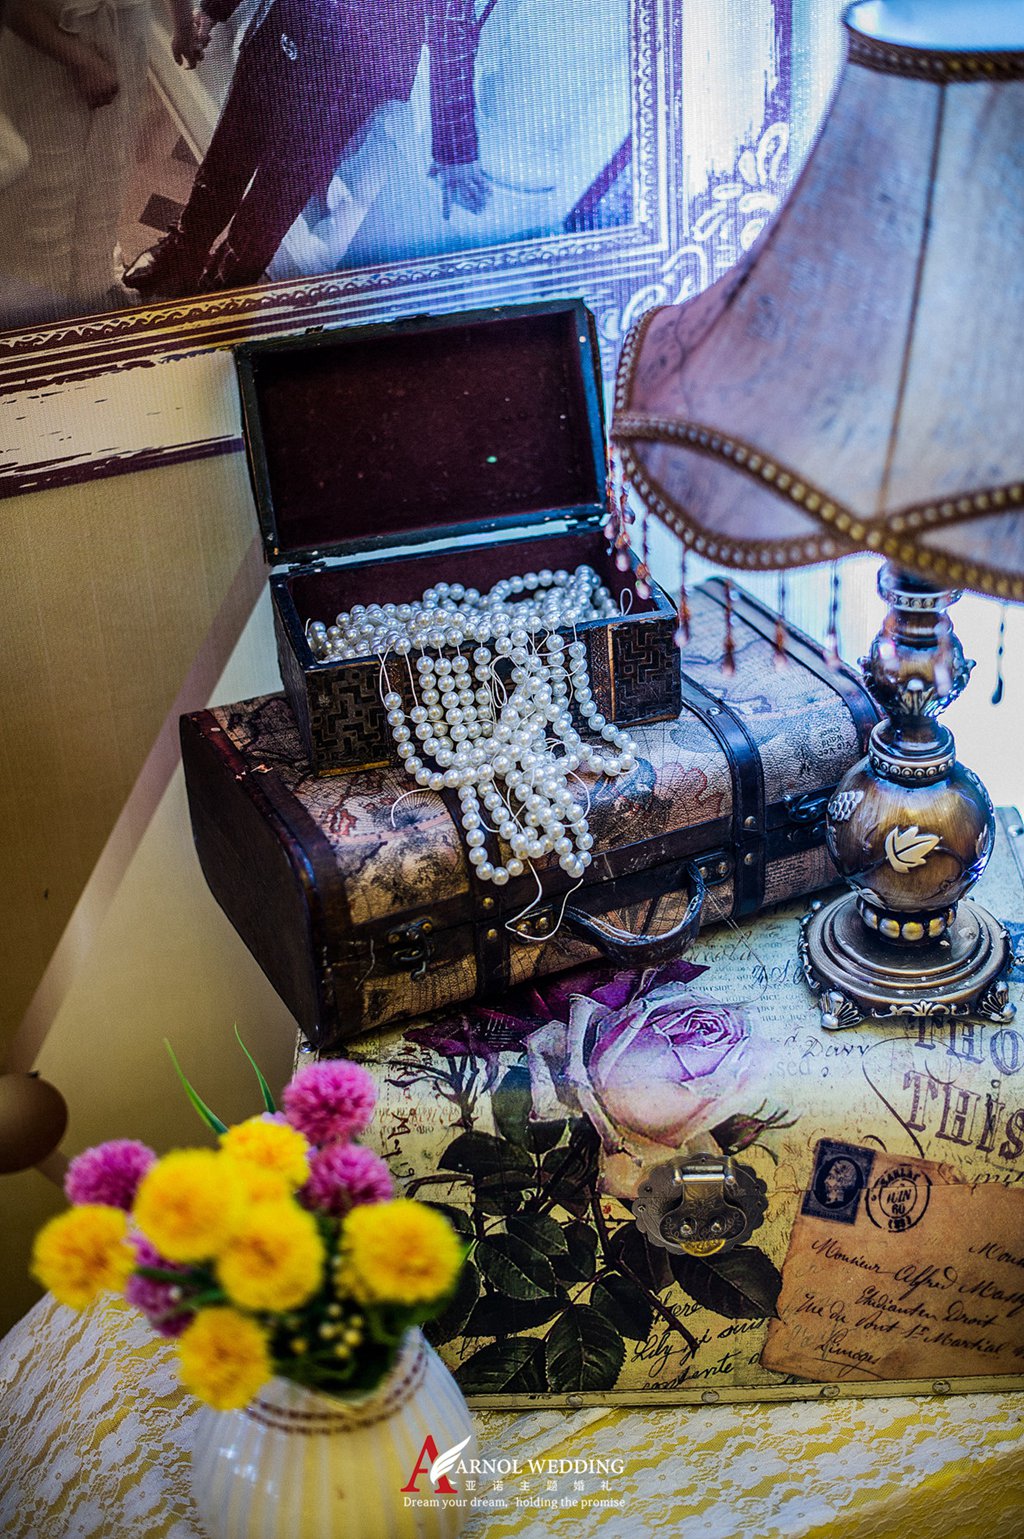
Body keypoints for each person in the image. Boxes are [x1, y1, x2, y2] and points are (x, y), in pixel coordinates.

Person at [124, 0, 488, 298]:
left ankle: (223, 290)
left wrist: (455, 152)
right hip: (283, 31)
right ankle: (183, 252)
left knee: (275, 202)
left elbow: (453, 30)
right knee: (224, 163)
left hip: (352, 76)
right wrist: (211, 11)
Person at [0, 0, 199, 326]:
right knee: (45, 187)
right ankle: (38, 311)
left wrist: (184, 24)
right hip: (47, 48)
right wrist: (81, 62)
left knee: (105, 174)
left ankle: (90, 288)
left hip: (125, 36)